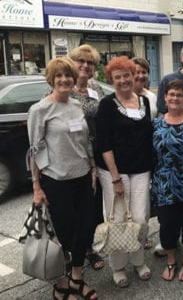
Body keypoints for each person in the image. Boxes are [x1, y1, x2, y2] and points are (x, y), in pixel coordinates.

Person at [28, 57, 98, 300]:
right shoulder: (39, 110)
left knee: (85, 229)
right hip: (56, 181)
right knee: (61, 235)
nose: (64, 80)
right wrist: (36, 186)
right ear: (51, 79)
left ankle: (77, 278)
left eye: (68, 75)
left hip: (82, 178)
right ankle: (60, 284)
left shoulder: (77, 106)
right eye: (59, 76)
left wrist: (92, 169)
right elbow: (34, 151)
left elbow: (84, 141)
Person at [95, 56, 153, 287]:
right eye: (117, 77)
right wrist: (116, 177)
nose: (123, 80)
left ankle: (138, 261)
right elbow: (103, 143)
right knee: (118, 219)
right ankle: (118, 267)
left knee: (140, 218)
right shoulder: (106, 105)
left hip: (141, 169)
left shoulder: (144, 102)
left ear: (133, 75)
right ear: (111, 80)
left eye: (126, 75)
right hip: (113, 171)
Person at [152, 80, 183, 282]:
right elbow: (151, 154)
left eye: (179, 95)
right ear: (165, 97)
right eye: (171, 94)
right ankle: (171, 260)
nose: (174, 98)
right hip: (164, 183)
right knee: (167, 225)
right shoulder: (156, 123)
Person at [69, 44, 106, 272]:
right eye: (80, 61)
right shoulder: (63, 87)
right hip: (75, 154)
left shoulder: (98, 90)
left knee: (93, 204)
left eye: (90, 63)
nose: (85, 66)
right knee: (74, 205)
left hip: (99, 153)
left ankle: (90, 248)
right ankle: (74, 249)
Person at [132, 57, 157, 251]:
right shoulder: (120, 98)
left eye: (143, 72)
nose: (140, 75)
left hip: (149, 153)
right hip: (129, 156)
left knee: (144, 200)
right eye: (136, 72)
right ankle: (128, 235)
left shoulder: (151, 97)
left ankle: (144, 233)